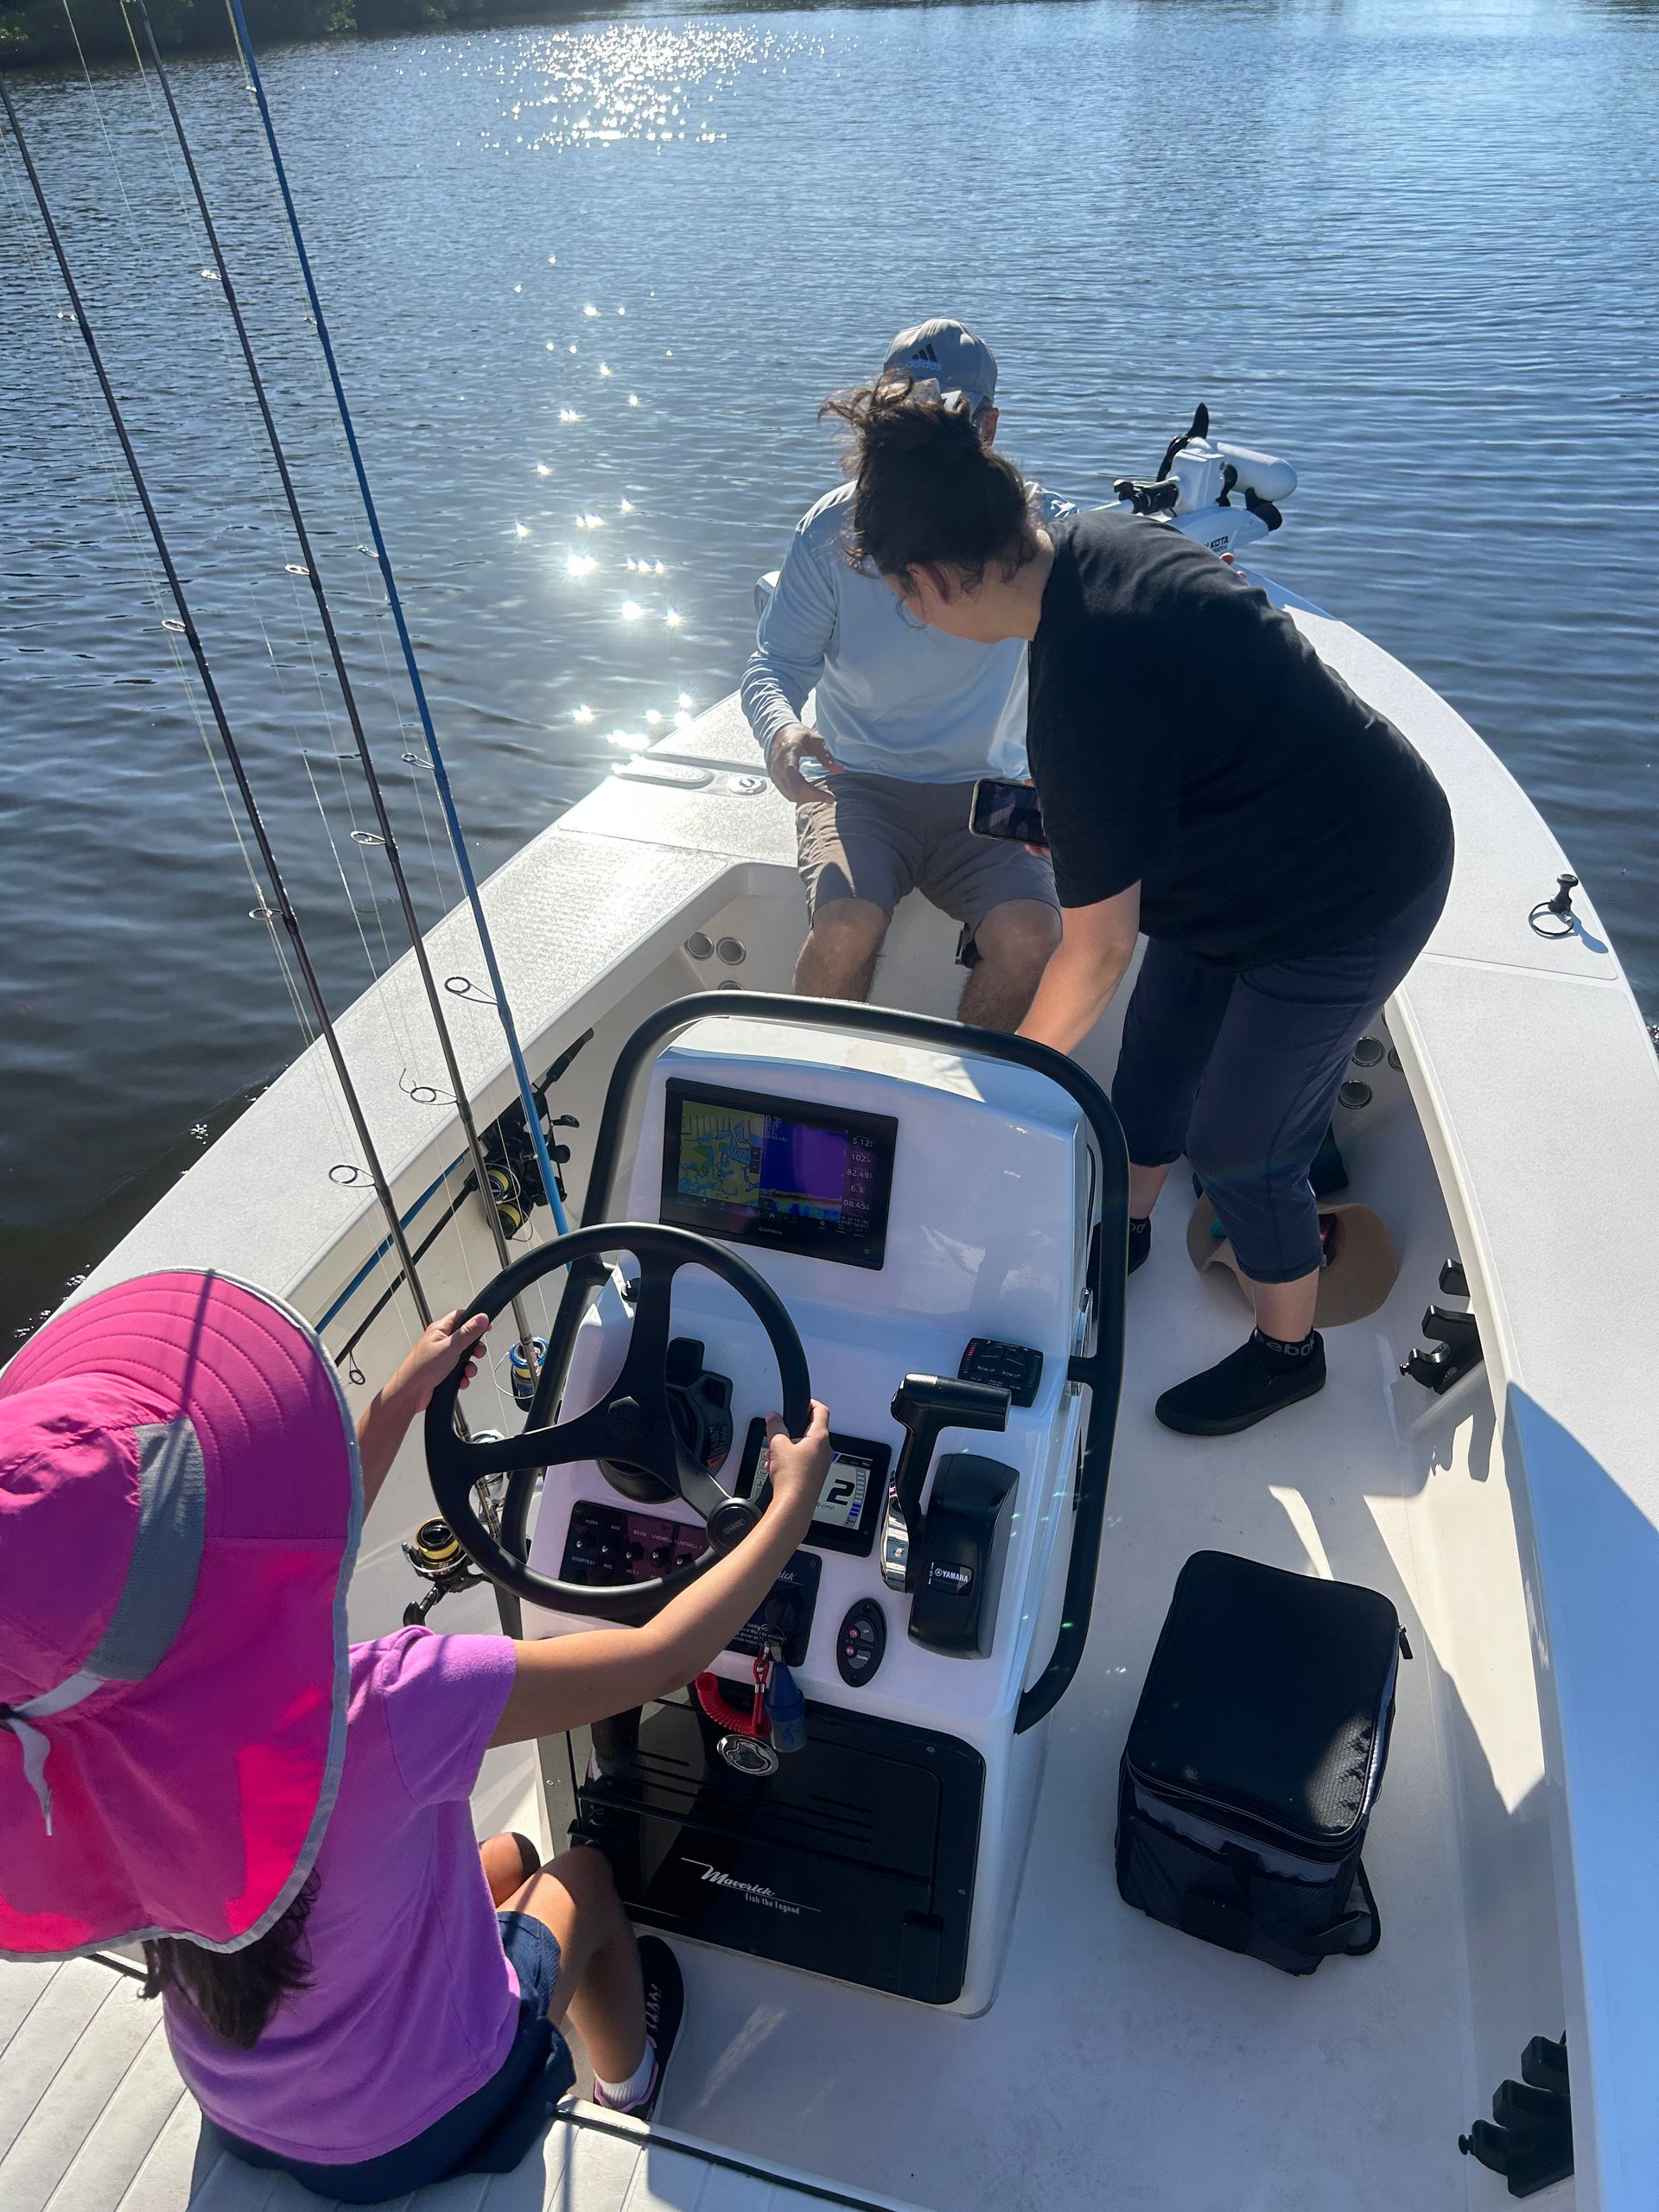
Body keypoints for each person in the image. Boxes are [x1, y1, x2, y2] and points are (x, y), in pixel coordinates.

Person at [0, 1270, 831, 2201]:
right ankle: (629, 2089)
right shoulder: (396, 1701)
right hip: (425, 2121)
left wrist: (403, 1397)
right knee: (584, 1880)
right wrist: (788, 1509)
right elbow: (660, 1654)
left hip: (244, 2106)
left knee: (509, 1855)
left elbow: (286, 1550)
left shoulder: (70, 1758)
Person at [821, 380, 1454, 1437]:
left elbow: (1098, 952)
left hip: (1353, 888)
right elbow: (1167, 751)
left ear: (927, 578)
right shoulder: (1098, 540)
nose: (912, 614)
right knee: (1153, 1064)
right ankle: (1131, 1229)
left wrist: (1003, 1081)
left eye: (903, 597)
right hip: (1238, 860)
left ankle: (1287, 1354)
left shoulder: (1081, 687)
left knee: (1245, 1144)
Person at [741, 317, 1066, 1028]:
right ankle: (809, 1086)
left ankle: (968, 1090)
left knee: (1031, 935)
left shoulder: (1040, 527)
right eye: (905, 422)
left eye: (945, 426)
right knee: (846, 926)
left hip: (992, 789)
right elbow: (775, 664)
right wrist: (782, 732)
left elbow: (1112, 592)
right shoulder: (832, 530)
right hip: (860, 781)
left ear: (987, 429)